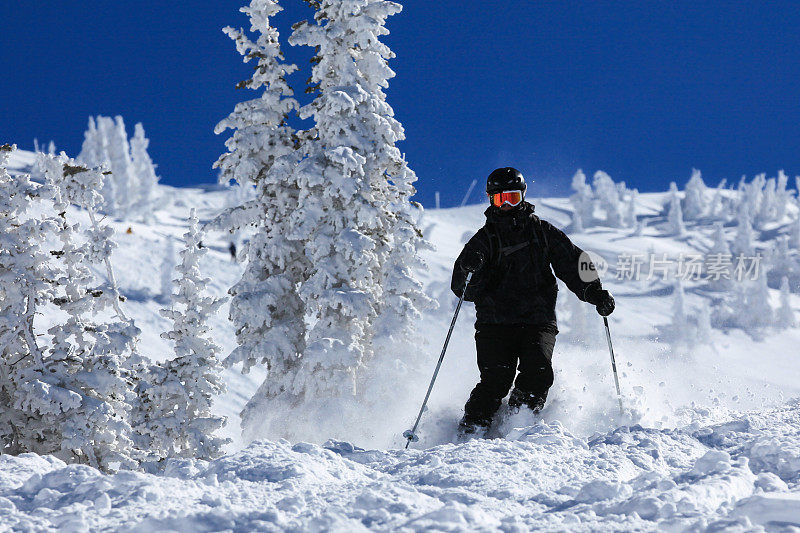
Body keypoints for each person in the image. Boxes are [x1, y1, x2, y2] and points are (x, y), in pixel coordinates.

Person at [451, 167, 615, 438]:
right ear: (491, 200)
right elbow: (462, 289)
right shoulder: (483, 242)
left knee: (538, 372)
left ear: (523, 196)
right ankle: (471, 431)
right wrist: (471, 270)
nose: (506, 206)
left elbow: (575, 262)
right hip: (495, 325)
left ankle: (518, 425)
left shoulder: (543, 232)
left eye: (512, 198)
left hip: (538, 321)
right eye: (500, 200)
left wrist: (595, 292)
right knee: (495, 381)